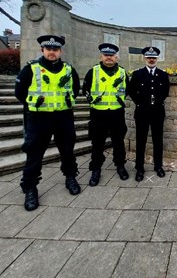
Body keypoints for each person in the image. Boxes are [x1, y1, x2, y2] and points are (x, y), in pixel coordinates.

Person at [15, 34, 81, 211]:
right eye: (49, 49)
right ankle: (30, 188)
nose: (52, 52)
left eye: (56, 49)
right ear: (42, 50)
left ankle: (70, 177)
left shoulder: (68, 69)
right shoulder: (31, 69)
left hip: (63, 117)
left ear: (60, 51)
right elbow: (19, 92)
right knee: (34, 155)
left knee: (67, 151)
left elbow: (75, 90)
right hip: (39, 119)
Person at [82, 43, 129, 186]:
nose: (109, 58)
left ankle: (120, 165)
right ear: (101, 56)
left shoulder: (122, 72)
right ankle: (96, 169)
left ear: (117, 57)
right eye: (106, 55)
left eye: (112, 55)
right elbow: (86, 90)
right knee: (97, 143)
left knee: (118, 142)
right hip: (98, 114)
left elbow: (127, 90)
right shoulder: (93, 72)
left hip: (116, 113)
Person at [129, 46, 170, 182]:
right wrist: (140, 103)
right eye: (149, 57)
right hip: (142, 113)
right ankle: (139, 168)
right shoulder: (137, 74)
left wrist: (156, 103)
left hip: (157, 112)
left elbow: (165, 92)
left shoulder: (163, 75)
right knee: (141, 141)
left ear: (157, 59)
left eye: (153, 57)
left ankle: (158, 166)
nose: (151, 60)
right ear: (144, 58)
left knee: (158, 141)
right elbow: (132, 91)